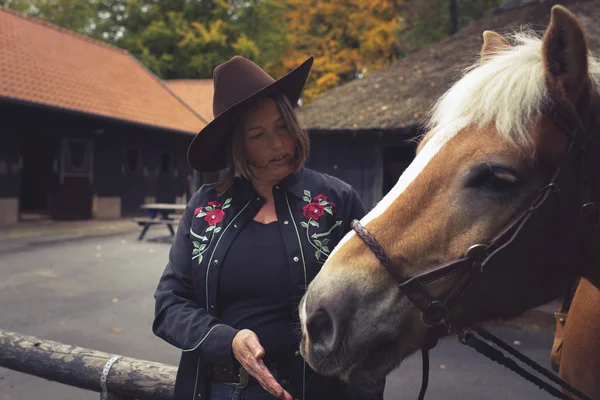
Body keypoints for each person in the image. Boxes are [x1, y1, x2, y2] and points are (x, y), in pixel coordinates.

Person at [152, 55, 385, 400]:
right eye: (257, 135)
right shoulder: (205, 207)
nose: (277, 144)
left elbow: (373, 303)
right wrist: (226, 339)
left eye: (281, 126)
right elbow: (169, 305)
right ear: (237, 145)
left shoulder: (336, 201)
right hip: (221, 391)